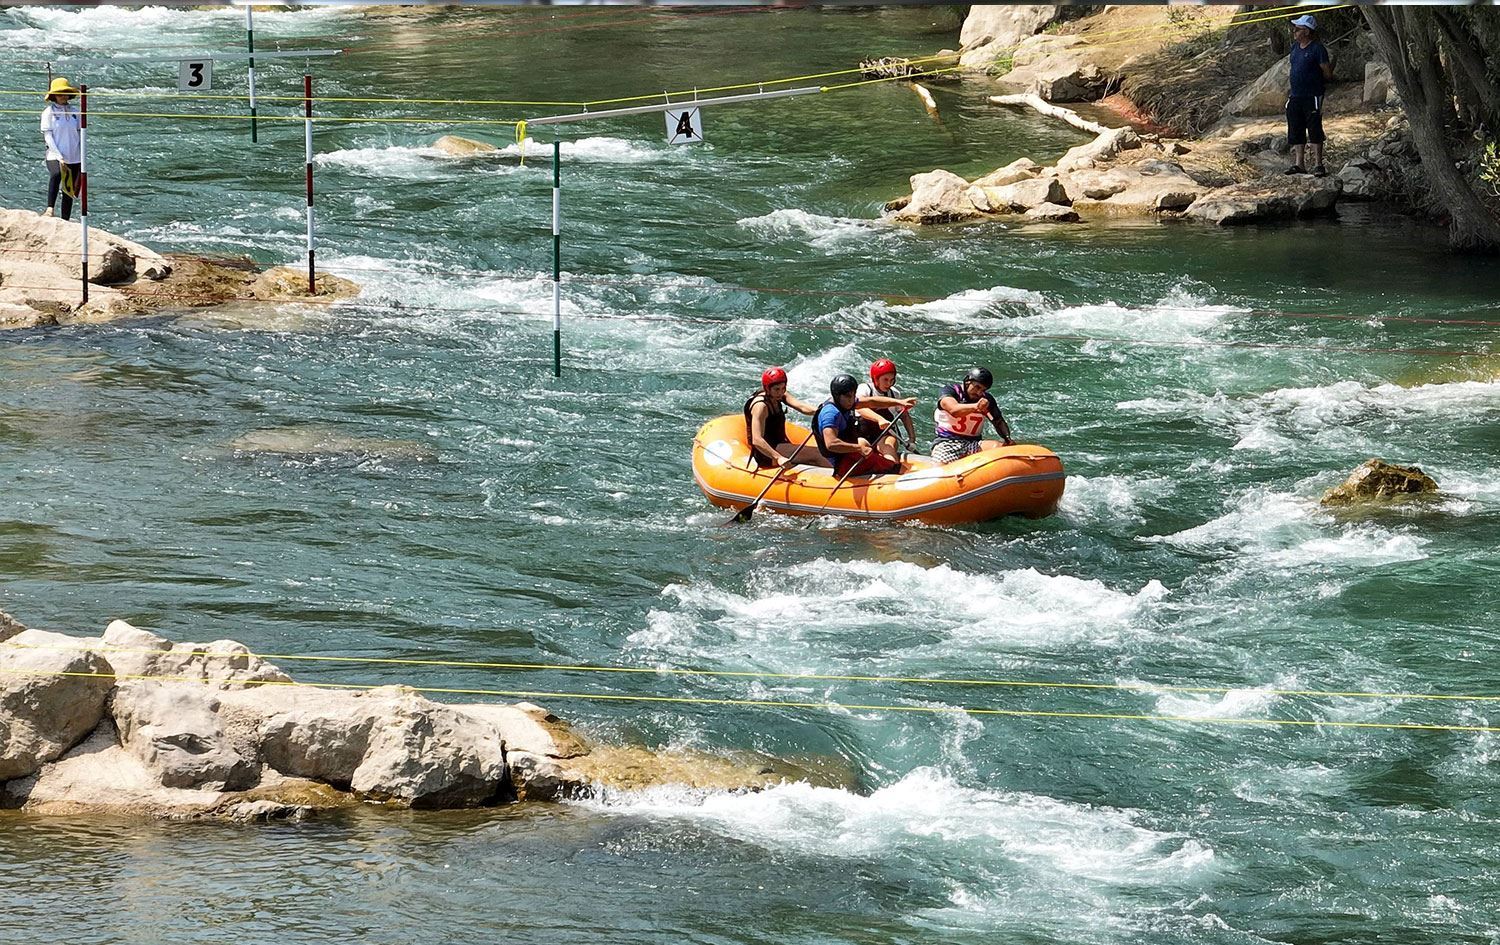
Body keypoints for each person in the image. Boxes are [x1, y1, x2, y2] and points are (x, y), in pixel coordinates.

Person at [814, 373, 916, 478]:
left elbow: (871, 402)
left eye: (853, 395)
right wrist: (859, 448)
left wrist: (899, 402)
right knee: (895, 468)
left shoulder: (846, 402)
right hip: (842, 461)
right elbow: (831, 444)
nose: (852, 400)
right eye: (848, 396)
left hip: (848, 451)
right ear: (837, 395)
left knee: (867, 445)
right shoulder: (831, 414)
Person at [744, 366, 828, 469]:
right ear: (767, 389)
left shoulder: (780, 395)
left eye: (783, 388)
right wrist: (778, 457)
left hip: (781, 444)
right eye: (777, 389)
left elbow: (802, 407)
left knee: (823, 452)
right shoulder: (761, 406)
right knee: (817, 455)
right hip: (767, 452)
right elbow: (757, 440)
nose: (780, 392)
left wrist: (823, 411)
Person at [1284, 14, 1333, 178]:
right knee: (1296, 127)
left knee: (1314, 127)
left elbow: (1326, 72)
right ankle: (1300, 164)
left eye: (1297, 29)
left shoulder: (1318, 49)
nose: (1294, 32)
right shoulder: (1295, 48)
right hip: (1295, 95)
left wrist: (1319, 83)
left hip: (1312, 96)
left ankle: (1318, 164)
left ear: (1306, 31)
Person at [931, 366, 1013, 465]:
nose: (979, 393)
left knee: (999, 448)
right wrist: (976, 407)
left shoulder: (986, 399)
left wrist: (1008, 439)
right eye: (977, 387)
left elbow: (998, 421)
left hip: (974, 444)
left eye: (983, 390)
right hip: (948, 442)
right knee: (940, 467)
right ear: (967, 382)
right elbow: (954, 410)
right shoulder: (950, 392)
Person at [856, 358, 918, 464]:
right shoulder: (864, 389)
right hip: (863, 434)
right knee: (862, 446)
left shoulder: (895, 394)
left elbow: (904, 416)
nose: (889, 383)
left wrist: (912, 438)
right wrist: (879, 419)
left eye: (892, 380)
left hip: (885, 435)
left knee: (888, 448)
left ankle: (891, 467)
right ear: (875, 379)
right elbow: (860, 408)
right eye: (885, 380)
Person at [40, 77, 83, 220]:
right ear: (54, 96)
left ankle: (66, 219)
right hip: (54, 154)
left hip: (74, 155)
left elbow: (80, 133)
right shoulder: (48, 112)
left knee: (68, 189)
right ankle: (50, 209)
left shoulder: (75, 112)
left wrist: (82, 155)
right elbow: (48, 136)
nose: (63, 97)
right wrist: (58, 156)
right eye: (60, 94)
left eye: (65, 93)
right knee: (56, 174)